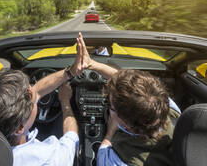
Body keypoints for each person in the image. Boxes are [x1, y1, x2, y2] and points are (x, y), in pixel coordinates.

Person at [0, 33, 87, 166]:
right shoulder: (49, 158)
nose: (34, 89)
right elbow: (71, 138)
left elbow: (37, 91)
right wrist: (65, 101)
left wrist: (70, 72)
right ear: (19, 128)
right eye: (31, 97)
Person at [76, 33, 181, 166]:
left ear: (127, 125)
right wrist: (92, 64)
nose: (109, 105)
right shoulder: (169, 109)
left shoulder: (116, 160)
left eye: (111, 107)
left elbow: (104, 148)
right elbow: (129, 84)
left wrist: (110, 132)